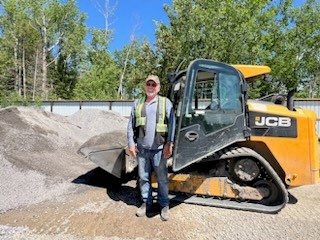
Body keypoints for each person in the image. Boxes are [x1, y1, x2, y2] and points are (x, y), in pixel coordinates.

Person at [127, 75, 175, 221]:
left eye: (154, 85)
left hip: (160, 149)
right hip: (142, 150)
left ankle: (164, 205)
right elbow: (130, 125)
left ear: (158, 87)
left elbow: (172, 123)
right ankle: (146, 203)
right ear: (145, 86)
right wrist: (130, 143)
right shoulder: (138, 103)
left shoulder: (165, 103)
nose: (151, 87)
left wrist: (169, 143)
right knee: (143, 178)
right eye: (148, 84)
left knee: (162, 179)